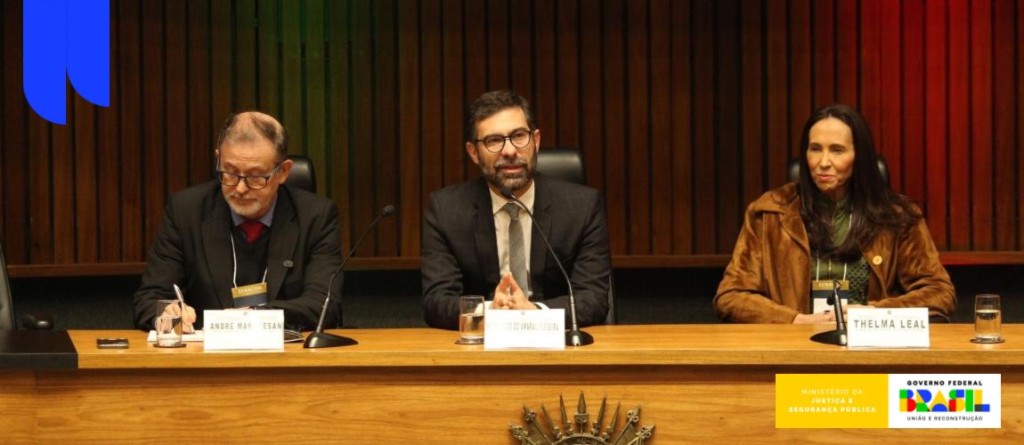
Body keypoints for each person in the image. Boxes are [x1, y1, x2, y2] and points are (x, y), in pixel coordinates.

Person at [714, 104, 955, 324]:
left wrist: (873, 313)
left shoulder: (898, 216)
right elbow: (731, 295)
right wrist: (796, 320)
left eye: (837, 150)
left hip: (870, 346)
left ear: (859, 157)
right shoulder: (769, 212)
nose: (823, 162)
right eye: (815, 149)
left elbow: (940, 293)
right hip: (795, 345)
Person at [132, 111, 343, 332]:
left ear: (283, 172)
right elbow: (150, 298)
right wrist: (166, 314)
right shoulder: (186, 211)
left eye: (255, 176)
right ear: (218, 159)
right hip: (205, 350)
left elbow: (324, 305)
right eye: (230, 173)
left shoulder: (316, 217)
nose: (240, 189)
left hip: (285, 349)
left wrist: (252, 317)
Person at [422, 90, 611, 330]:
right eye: (493, 140)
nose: (510, 151)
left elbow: (593, 299)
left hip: (556, 341)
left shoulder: (582, 207)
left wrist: (534, 314)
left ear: (536, 141)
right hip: (482, 342)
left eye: (519, 136)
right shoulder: (445, 210)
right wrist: (490, 311)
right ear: (474, 153)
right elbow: (436, 301)